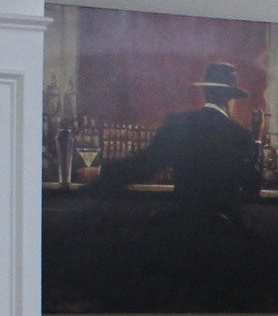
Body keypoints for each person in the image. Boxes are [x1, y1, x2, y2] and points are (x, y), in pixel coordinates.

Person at [93, 61, 264, 237]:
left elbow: (144, 165)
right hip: (220, 234)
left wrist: (99, 172)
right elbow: (252, 188)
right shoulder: (241, 135)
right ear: (230, 99)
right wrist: (257, 140)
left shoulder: (177, 123)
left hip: (179, 228)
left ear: (206, 93)